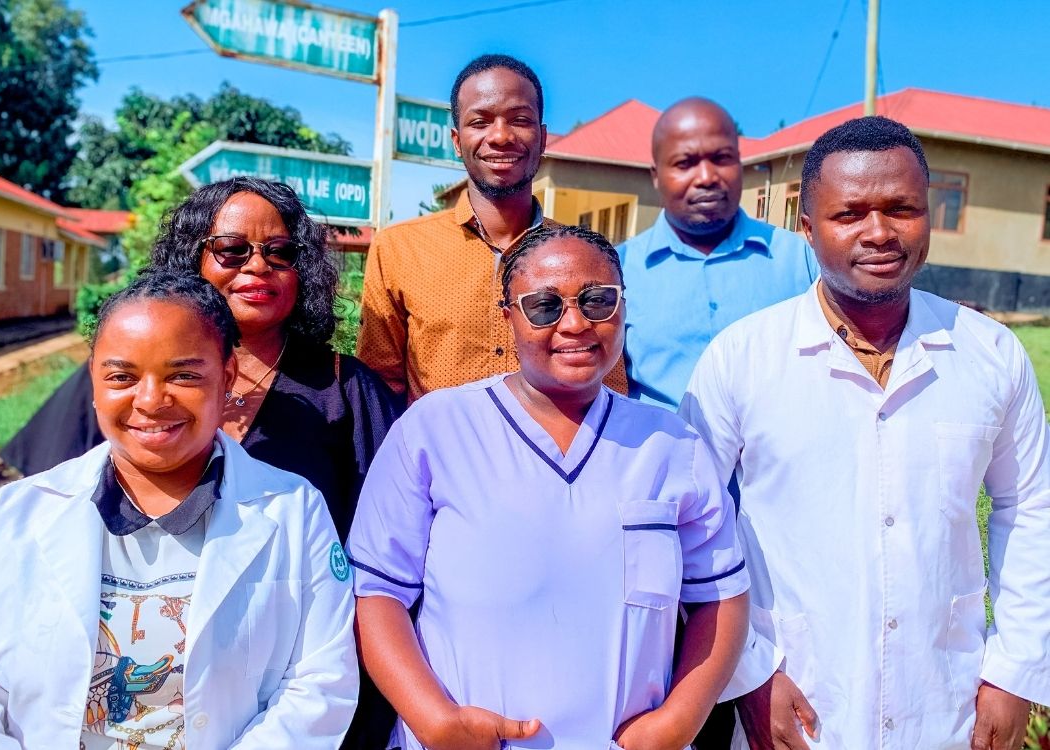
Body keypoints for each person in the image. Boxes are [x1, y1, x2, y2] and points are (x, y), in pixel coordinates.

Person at [682, 116, 1050, 749]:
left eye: (902, 209)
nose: (879, 233)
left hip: (949, 704)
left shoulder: (990, 353)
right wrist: (748, 673)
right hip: (795, 700)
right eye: (849, 214)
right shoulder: (742, 357)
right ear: (807, 225)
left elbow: (1031, 509)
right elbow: (691, 524)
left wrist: (1016, 671)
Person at [0, 177, 400, 749]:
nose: (257, 266)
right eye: (232, 250)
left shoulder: (344, 388)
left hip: (287, 670)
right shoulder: (125, 386)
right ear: (194, 257)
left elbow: (386, 547)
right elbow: (41, 531)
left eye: (280, 252)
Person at [349, 224, 750, 750]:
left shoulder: (673, 446)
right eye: (544, 306)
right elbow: (377, 594)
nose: (576, 323)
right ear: (507, 319)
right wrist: (435, 722)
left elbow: (721, 595)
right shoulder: (434, 431)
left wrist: (678, 720)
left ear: (624, 308)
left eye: (598, 300)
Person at [357, 53, 627, 404]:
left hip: (561, 456)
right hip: (438, 457)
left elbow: (610, 385)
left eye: (519, 120)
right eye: (480, 122)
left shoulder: (581, 256)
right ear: (457, 140)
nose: (500, 136)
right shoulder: (399, 248)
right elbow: (379, 390)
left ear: (543, 138)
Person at [618, 97, 818, 410]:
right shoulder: (619, 270)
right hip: (663, 456)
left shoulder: (802, 260)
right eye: (685, 163)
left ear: (740, 163)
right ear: (656, 175)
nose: (707, 177)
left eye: (722, 158)